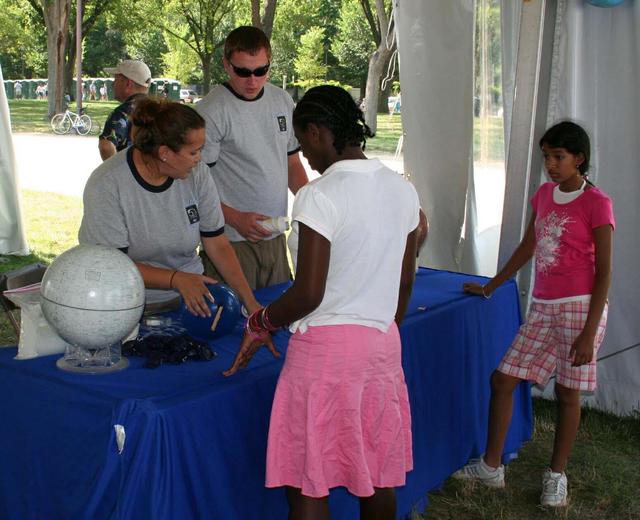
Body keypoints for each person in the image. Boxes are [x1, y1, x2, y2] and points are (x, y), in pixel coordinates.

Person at [224, 85, 421, 520]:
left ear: (316, 132)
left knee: (308, 477)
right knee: (377, 471)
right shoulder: (402, 189)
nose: (304, 158)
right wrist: (384, 329)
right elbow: (406, 278)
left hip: (326, 357)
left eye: (301, 142)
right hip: (383, 346)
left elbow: (309, 293)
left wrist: (262, 321)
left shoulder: (320, 195)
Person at [453, 121, 615, 507]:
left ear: (579, 159)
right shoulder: (543, 195)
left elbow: (605, 272)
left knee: (567, 392)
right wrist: (492, 285)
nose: (551, 165)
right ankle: (492, 467)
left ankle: (556, 476)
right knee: (504, 379)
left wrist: (589, 334)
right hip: (543, 307)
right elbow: (529, 245)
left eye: (558, 157)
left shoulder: (597, 203)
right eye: (546, 157)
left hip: (581, 309)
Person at [79, 97, 265, 322]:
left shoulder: (198, 174)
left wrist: (249, 302)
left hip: (191, 302)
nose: (200, 159)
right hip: (127, 306)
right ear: (164, 152)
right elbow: (112, 265)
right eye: (194, 152)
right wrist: (175, 279)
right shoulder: (107, 183)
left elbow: (217, 243)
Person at [196, 26, 308, 290]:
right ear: (226, 65)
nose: (253, 81)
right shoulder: (211, 111)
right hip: (229, 241)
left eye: (261, 71)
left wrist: (313, 204)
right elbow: (194, 186)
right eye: (242, 71)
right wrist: (234, 218)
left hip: (275, 237)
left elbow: (292, 163)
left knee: (276, 318)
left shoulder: (281, 100)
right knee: (238, 323)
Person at [98, 60, 151, 161]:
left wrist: (117, 173)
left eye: (116, 80)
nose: (113, 85)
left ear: (128, 84)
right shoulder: (159, 109)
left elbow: (106, 146)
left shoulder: (124, 112)